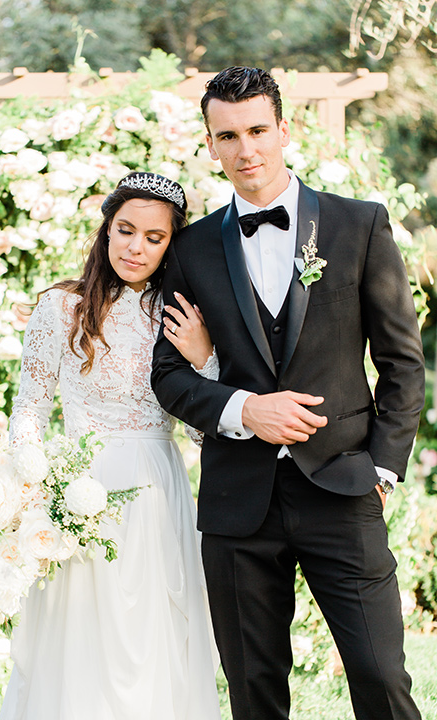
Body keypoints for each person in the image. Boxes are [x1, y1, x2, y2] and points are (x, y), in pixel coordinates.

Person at [151, 67, 425, 720]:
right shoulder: (188, 251)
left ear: (284, 130)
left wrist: (383, 468)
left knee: (381, 677)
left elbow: (402, 362)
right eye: (229, 135)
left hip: (344, 487)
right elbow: (168, 375)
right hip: (236, 507)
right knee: (255, 695)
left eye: (257, 130)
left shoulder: (358, 226)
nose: (247, 150)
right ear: (210, 145)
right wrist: (245, 409)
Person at [0, 172, 222, 720]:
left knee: (153, 629)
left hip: (155, 487)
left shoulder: (181, 317)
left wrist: (203, 359)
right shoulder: (60, 308)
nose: (135, 247)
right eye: (125, 230)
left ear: (172, 244)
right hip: (75, 486)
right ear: (106, 230)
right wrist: (31, 486)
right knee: (77, 630)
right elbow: (29, 407)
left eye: (154, 237)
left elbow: (201, 428)